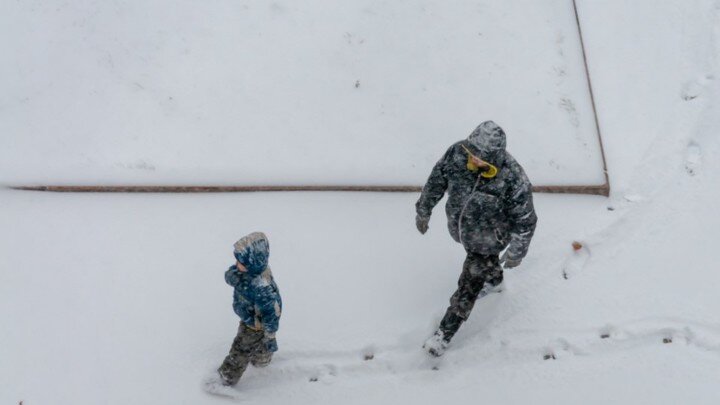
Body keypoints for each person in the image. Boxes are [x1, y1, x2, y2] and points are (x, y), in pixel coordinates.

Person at [415, 120, 537, 356]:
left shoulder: (513, 178)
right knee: (484, 269)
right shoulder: (458, 154)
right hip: (466, 231)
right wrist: (423, 209)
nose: (473, 161)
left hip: (489, 239)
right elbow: (437, 180)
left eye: (481, 159)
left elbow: (526, 219)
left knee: (467, 286)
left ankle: (443, 335)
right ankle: (494, 281)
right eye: (472, 155)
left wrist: (516, 252)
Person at [217, 232, 282, 386]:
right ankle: (261, 359)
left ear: (251, 263)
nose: (236, 264)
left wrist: (270, 335)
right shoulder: (249, 270)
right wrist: (233, 276)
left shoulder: (262, 288)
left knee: (240, 350)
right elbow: (232, 274)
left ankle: (227, 377)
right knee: (260, 343)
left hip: (255, 324)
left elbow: (271, 314)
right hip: (249, 315)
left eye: (240, 262)